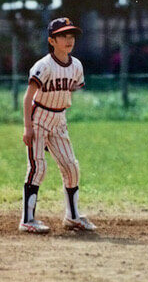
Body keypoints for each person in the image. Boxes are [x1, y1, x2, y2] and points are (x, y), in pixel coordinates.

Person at [19, 17, 97, 234]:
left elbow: (69, 90)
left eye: (71, 35)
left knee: (71, 167)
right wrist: (28, 127)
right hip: (39, 119)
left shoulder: (76, 66)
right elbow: (28, 98)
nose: (68, 39)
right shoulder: (44, 66)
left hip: (59, 119)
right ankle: (27, 219)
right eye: (63, 35)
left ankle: (72, 217)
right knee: (38, 169)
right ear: (52, 41)